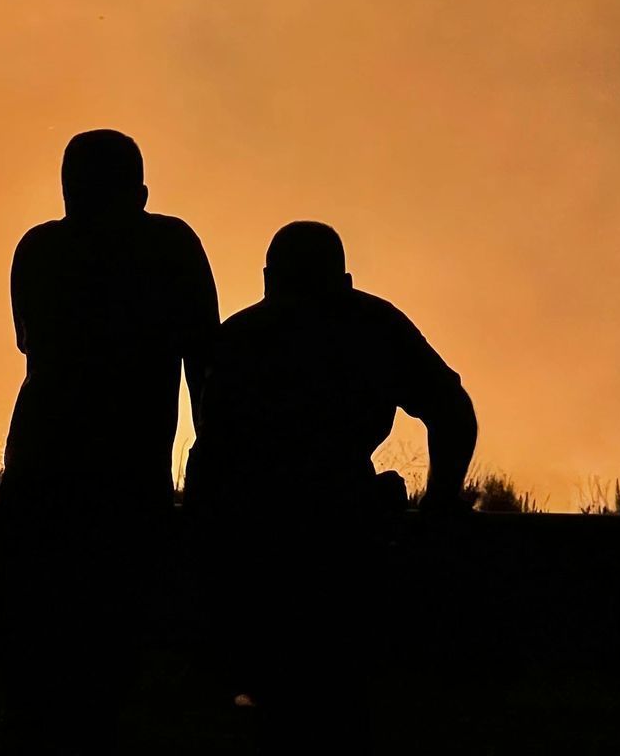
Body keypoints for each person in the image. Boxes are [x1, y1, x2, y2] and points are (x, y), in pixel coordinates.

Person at [185, 220, 477, 747]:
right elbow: (451, 409)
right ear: (343, 280)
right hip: (341, 534)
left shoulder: (243, 335)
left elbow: (210, 454)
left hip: (261, 543)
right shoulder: (373, 325)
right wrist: (440, 502)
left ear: (267, 280)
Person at [0, 128, 219, 749]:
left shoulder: (39, 249)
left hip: (40, 470)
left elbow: (30, 343)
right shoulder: (170, 247)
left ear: (66, 191)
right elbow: (205, 362)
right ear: (141, 193)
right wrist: (211, 461)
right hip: (130, 476)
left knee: (41, 653)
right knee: (114, 654)